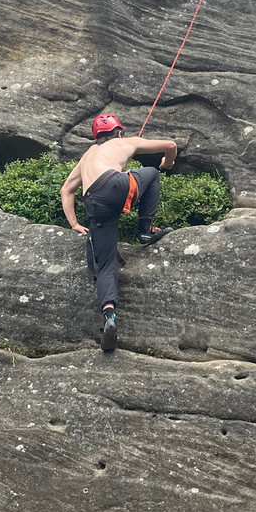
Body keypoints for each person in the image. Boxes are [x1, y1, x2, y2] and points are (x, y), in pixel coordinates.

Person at [60, 114, 178, 353]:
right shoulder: (124, 142)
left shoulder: (87, 155)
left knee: (106, 265)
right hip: (113, 184)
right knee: (151, 172)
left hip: (93, 203)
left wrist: (73, 223)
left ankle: (109, 316)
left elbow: (66, 190)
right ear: (119, 133)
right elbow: (171, 145)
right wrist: (167, 163)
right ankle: (145, 230)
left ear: (97, 137)